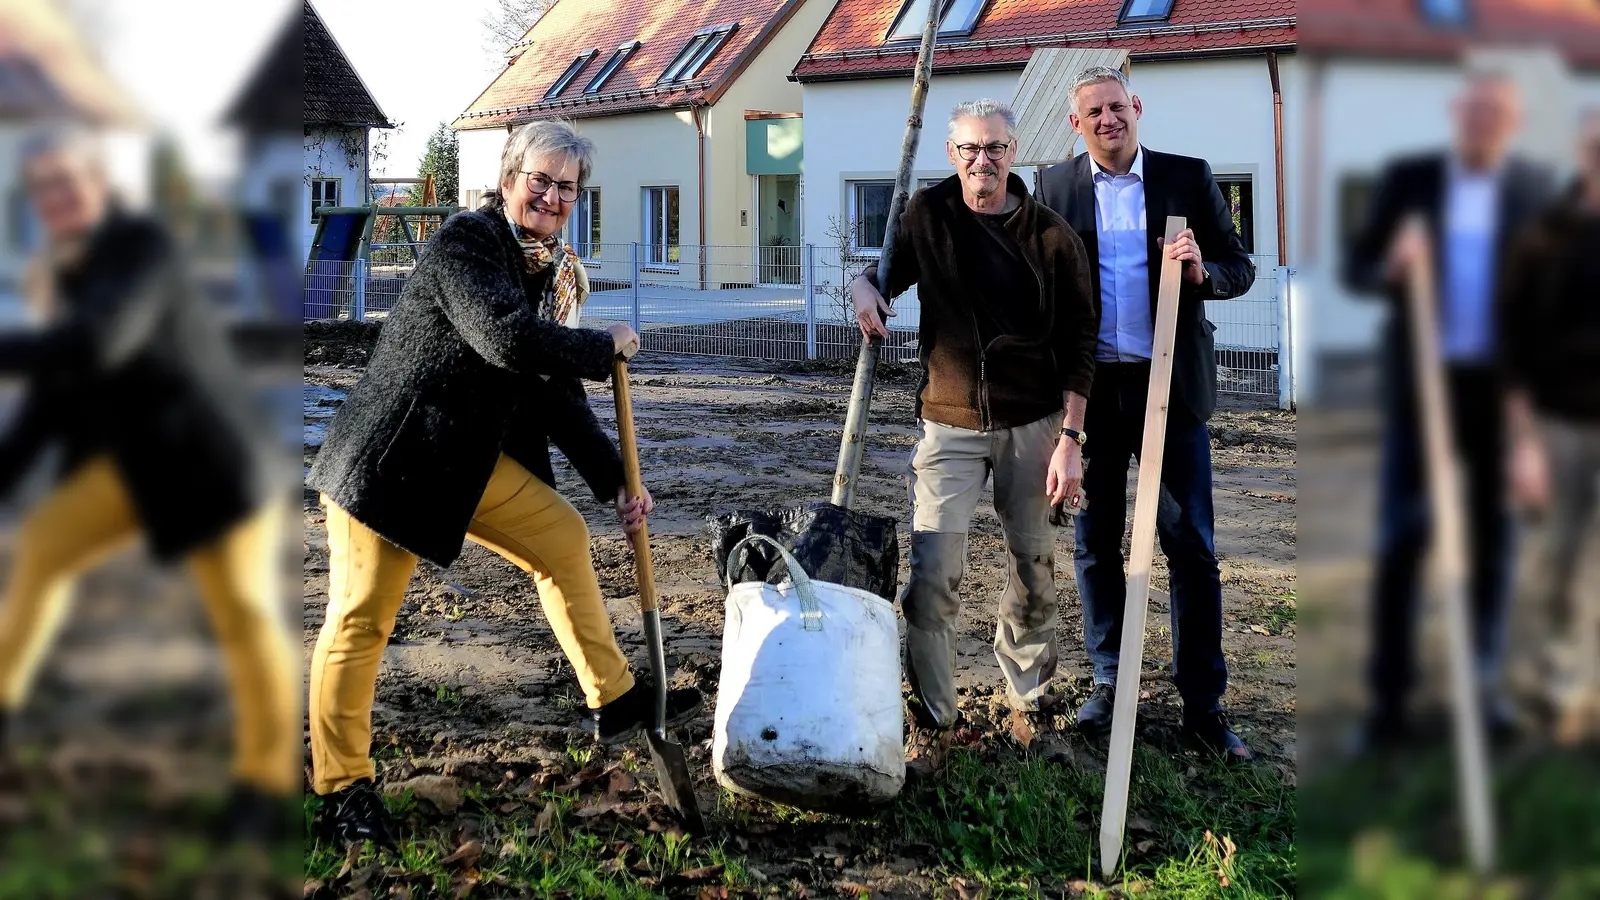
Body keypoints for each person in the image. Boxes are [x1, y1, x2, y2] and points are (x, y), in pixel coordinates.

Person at [304, 118, 704, 847]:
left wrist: (615, 481)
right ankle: (342, 790)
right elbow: (507, 341)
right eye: (541, 181)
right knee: (361, 620)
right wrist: (598, 344)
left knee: (561, 535)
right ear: (510, 179)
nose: (552, 197)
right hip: (390, 461)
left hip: (460, 460)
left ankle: (613, 698)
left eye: (567, 188)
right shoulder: (468, 243)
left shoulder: (541, 267)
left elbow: (548, 389)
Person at [0, 129, 300, 838]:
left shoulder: (142, 250)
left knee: (244, 617)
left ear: (100, 183)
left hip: (216, 467)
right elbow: (53, 391)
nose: (58, 197)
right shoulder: (70, 271)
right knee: (44, 544)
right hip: (136, 470)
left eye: (68, 180)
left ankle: (265, 783)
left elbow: (100, 342)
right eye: (44, 187)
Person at [850, 99, 1099, 777]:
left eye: (994, 148)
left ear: (1013, 151)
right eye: (968, 149)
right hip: (948, 426)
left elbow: (1081, 343)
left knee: (1034, 570)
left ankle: (1028, 701)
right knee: (931, 577)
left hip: (1035, 424)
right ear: (951, 153)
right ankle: (934, 716)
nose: (981, 161)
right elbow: (883, 277)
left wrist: (1071, 436)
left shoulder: (1051, 236)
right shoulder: (926, 217)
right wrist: (860, 287)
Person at [1038, 65, 1258, 760]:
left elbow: (1238, 265)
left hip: (1174, 388)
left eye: (1116, 107)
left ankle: (1204, 706)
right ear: (1077, 125)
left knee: (1190, 546)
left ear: (1136, 108)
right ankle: (1109, 683)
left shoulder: (1188, 177)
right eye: (1093, 112)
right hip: (1093, 393)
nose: (1108, 119)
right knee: (1095, 543)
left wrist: (1203, 273)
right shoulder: (1055, 187)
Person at [1342, 68, 1555, 749]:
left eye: (1497, 112)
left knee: (1493, 548)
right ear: (1456, 113)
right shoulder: (1410, 180)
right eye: (1474, 109)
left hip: (1498, 397)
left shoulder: (1531, 194)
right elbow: (1358, 267)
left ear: (1511, 123)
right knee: (1402, 542)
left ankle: (1480, 691)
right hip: (1419, 392)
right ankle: (1387, 706)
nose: (1482, 121)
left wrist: (1527, 436)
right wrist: (1394, 267)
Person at [1496, 108, 1600, 741]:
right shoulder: (1546, 236)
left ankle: (1576, 687)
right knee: (1551, 559)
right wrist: (1524, 441)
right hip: (1558, 423)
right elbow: (1513, 341)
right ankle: (1543, 690)